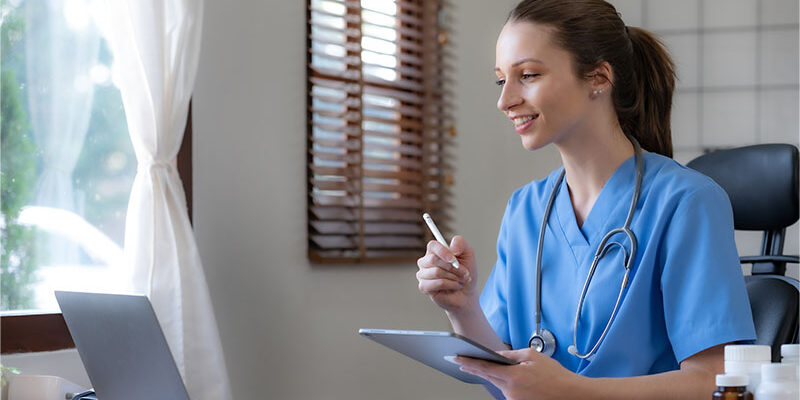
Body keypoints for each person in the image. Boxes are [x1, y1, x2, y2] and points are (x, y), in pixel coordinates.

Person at [415, 1, 756, 399]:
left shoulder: (687, 203)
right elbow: (504, 365)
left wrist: (573, 390)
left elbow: (714, 381)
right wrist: (462, 306)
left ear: (598, 77)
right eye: (500, 81)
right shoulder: (526, 209)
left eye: (527, 75)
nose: (504, 100)